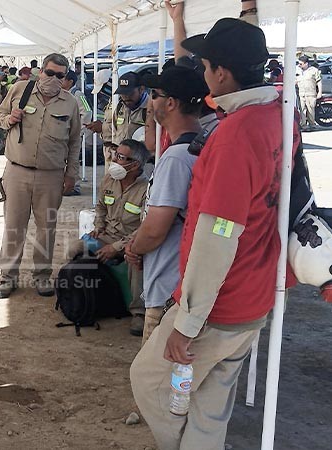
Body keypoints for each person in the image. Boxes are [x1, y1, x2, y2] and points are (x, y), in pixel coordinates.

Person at [130, 18, 292, 449]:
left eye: (205, 66)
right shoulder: (280, 115)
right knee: (212, 399)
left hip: (222, 302)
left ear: (221, 73)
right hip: (256, 291)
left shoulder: (235, 135)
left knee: (149, 380)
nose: (203, 75)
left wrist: (187, 321)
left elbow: (219, 233)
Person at [125, 65, 209, 344]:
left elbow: (156, 229)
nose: (151, 101)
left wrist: (134, 249)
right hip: (189, 282)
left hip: (168, 288)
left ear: (171, 103)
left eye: (155, 94)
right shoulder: (205, 143)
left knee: (156, 381)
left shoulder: (176, 158)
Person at [0, 53, 81, 298]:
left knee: (47, 228)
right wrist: (9, 119)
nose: (53, 79)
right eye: (50, 73)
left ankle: (42, 276)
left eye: (60, 76)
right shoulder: (20, 89)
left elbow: (75, 141)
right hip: (17, 172)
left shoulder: (69, 103)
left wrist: (71, 174)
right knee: (13, 227)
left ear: (65, 78)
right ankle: (7, 277)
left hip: (51, 176)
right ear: (41, 71)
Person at [65, 139, 149, 335]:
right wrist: (98, 227)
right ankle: (74, 292)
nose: (113, 160)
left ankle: (138, 313)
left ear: (135, 164)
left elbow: (145, 228)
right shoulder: (109, 180)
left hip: (131, 242)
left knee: (135, 260)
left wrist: (117, 248)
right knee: (75, 248)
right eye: (114, 154)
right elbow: (101, 207)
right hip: (106, 236)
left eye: (120, 157)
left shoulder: (146, 189)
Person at [86, 71, 149, 162]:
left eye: (130, 93)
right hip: (120, 160)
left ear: (141, 89)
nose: (126, 97)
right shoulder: (120, 107)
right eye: (123, 94)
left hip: (140, 164)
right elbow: (115, 132)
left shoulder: (151, 109)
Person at [61, 70, 91, 197]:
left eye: (63, 78)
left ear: (70, 81)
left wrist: (80, 130)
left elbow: (87, 111)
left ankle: (75, 185)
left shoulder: (78, 94)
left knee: (72, 160)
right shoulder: (61, 94)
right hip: (62, 133)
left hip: (73, 134)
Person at [297, 54, 323, 131]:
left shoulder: (314, 71)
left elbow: (319, 81)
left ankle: (312, 125)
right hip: (301, 93)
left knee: (311, 110)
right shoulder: (298, 70)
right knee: (302, 110)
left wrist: (320, 92)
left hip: (311, 93)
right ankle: (303, 125)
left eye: (301, 64)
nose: (299, 65)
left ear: (306, 63)